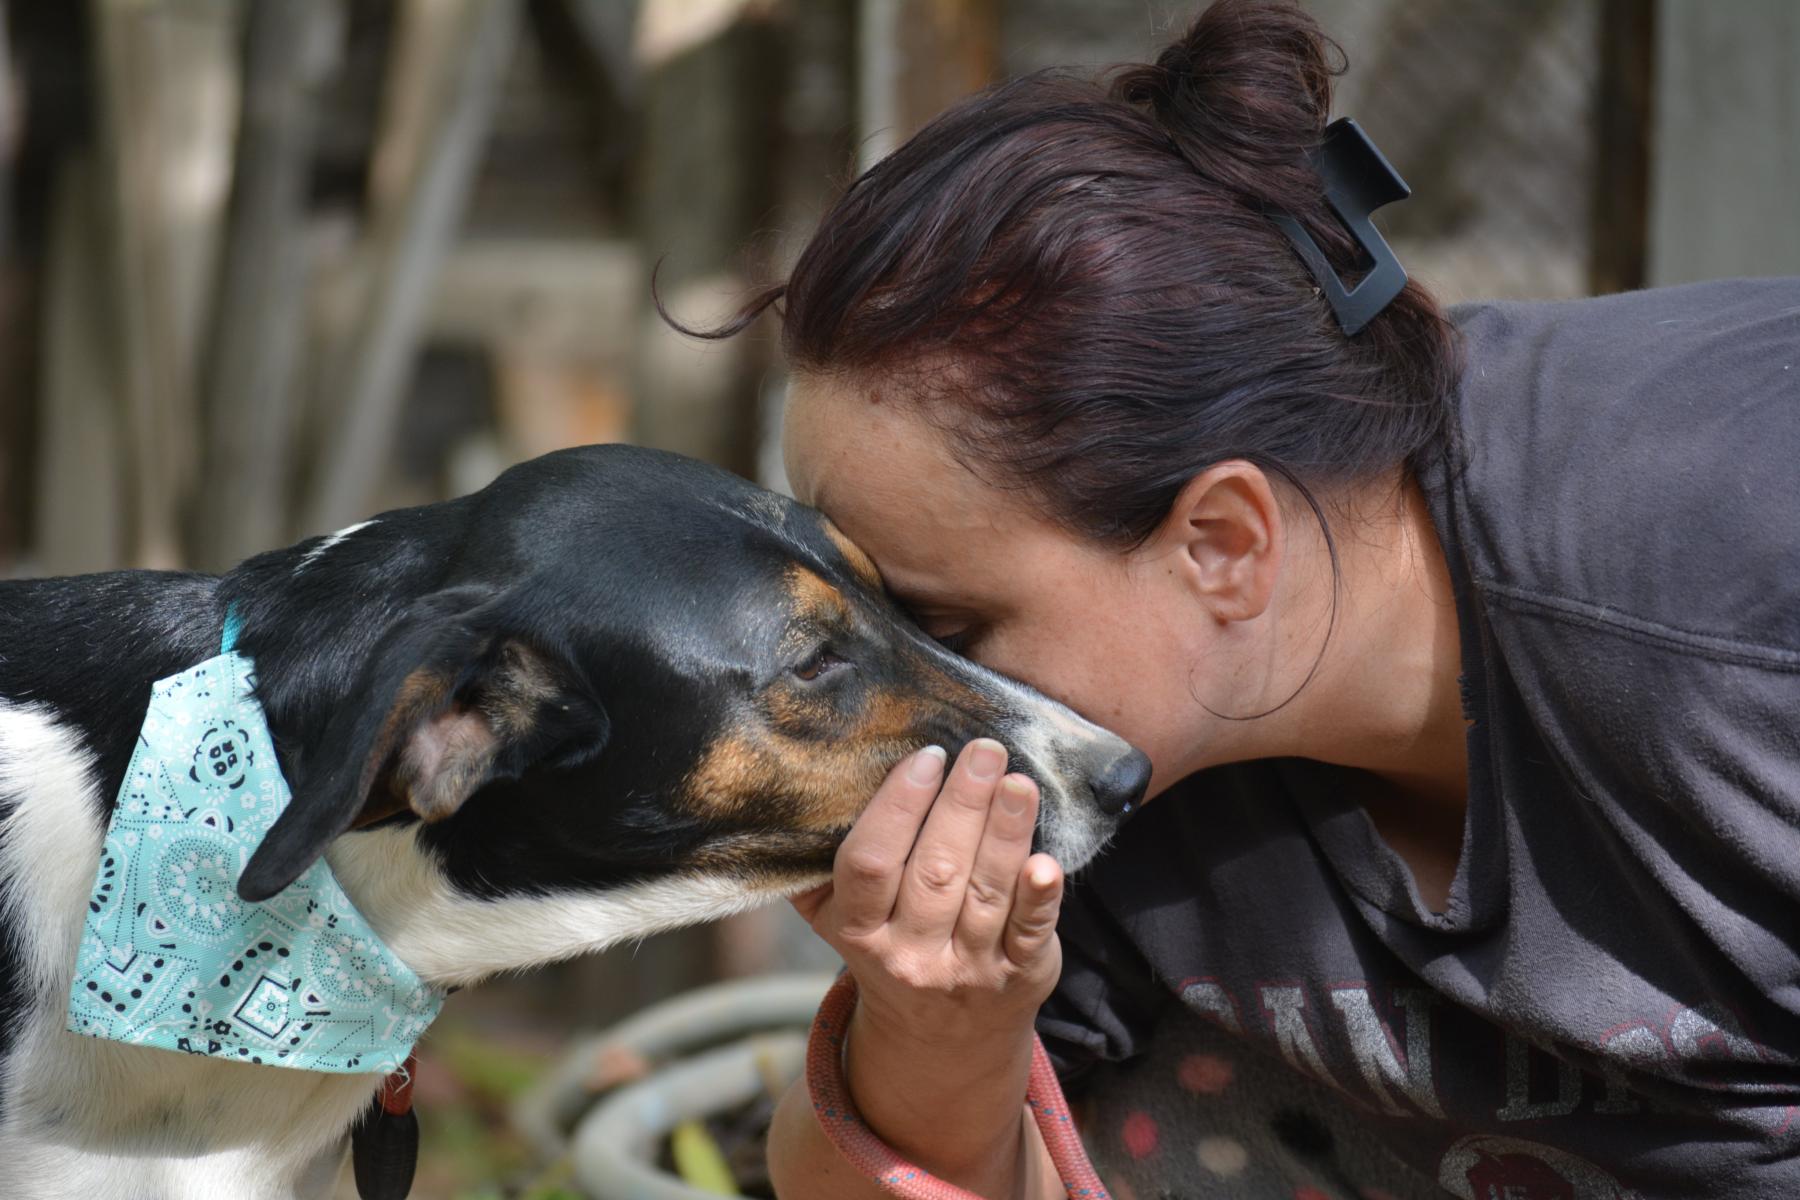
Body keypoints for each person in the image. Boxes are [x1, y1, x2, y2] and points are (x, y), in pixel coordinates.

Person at [705, 1, 1800, 1195]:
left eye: (949, 629)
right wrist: (938, 1028)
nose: (916, 706)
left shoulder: (1731, 591)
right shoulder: (1126, 755)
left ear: (1224, 545)